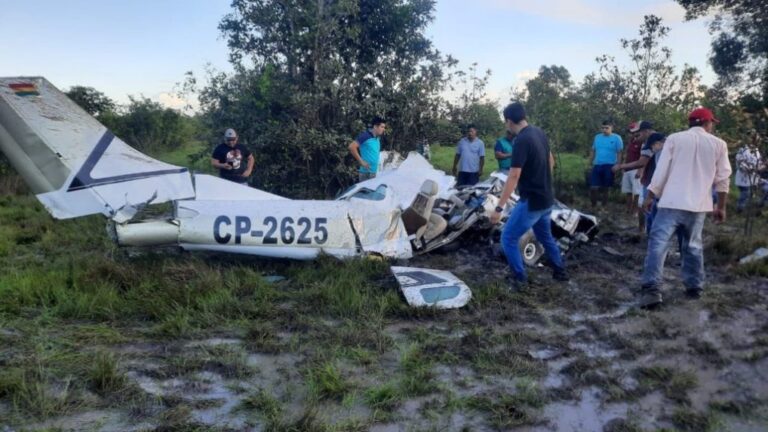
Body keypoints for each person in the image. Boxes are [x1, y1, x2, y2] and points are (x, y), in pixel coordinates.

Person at [637, 107, 732, 309]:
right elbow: (723, 179)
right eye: (712, 123)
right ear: (707, 123)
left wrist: (650, 195)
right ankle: (694, 287)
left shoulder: (674, 139)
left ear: (691, 123)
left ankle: (652, 291)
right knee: (693, 246)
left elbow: (661, 170)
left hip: (670, 202)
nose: (712, 126)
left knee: (658, 246)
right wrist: (721, 207)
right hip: (698, 206)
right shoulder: (719, 145)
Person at [489, 102, 568, 287]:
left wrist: (499, 208)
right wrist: (542, 180)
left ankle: (519, 278)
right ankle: (560, 271)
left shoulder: (521, 141)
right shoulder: (539, 132)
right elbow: (551, 160)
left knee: (508, 238)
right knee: (545, 236)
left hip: (532, 201)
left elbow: (514, 175)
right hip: (547, 198)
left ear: (509, 121)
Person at [613, 120, 656, 232]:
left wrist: (621, 166)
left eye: (639, 133)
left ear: (645, 131)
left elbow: (641, 162)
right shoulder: (648, 142)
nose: (637, 135)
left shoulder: (651, 143)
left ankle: (646, 231)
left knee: (643, 204)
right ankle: (644, 230)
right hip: (650, 179)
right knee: (646, 205)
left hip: (653, 180)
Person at [588, 120, 623, 207]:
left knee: (606, 187)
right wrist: (589, 162)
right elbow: (593, 150)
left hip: (609, 165)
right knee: (593, 187)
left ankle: (604, 206)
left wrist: (618, 164)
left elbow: (619, 152)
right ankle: (593, 206)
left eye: (607, 128)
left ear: (612, 128)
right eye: (603, 128)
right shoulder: (597, 137)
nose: (604, 130)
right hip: (597, 164)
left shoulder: (617, 138)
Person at [734, 131, 766, 212]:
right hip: (744, 179)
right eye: (753, 138)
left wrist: (765, 165)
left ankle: (760, 205)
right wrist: (752, 169)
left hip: (754, 178)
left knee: (766, 188)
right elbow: (741, 165)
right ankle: (740, 209)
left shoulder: (757, 151)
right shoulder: (743, 150)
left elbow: (759, 166)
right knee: (746, 193)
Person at [349, 116, 386, 183]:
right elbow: (352, 147)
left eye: (384, 127)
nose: (383, 129)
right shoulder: (365, 136)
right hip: (366, 173)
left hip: (374, 172)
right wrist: (361, 161)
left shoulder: (377, 138)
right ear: (375, 126)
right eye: (382, 127)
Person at [620, 121, 643, 214]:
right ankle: (628, 210)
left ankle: (635, 211)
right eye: (630, 132)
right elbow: (627, 155)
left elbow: (644, 158)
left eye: (634, 132)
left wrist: (640, 170)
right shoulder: (631, 142)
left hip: (636, 170)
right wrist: (623, 167)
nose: (632, 134)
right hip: (627, 170)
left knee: (637, 192)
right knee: (628, 191)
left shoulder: (641, 142)